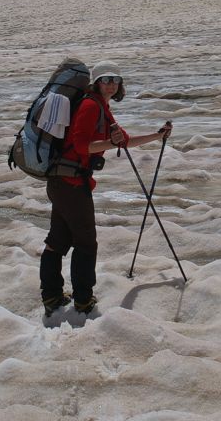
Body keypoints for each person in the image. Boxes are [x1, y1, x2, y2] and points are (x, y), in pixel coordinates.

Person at [41, 61, 172, 317]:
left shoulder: (101, 107)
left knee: (57, 242)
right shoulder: (91, 106)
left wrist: (157, 136)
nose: (111, 84)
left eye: (116, 80)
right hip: (70, 184)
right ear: (96, 82)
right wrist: (110, 144)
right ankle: (83, 301)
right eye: (106, 79)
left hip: (62, 182)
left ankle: (52, 296)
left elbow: (123, 141)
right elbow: (81, 146)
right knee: (86, 244)